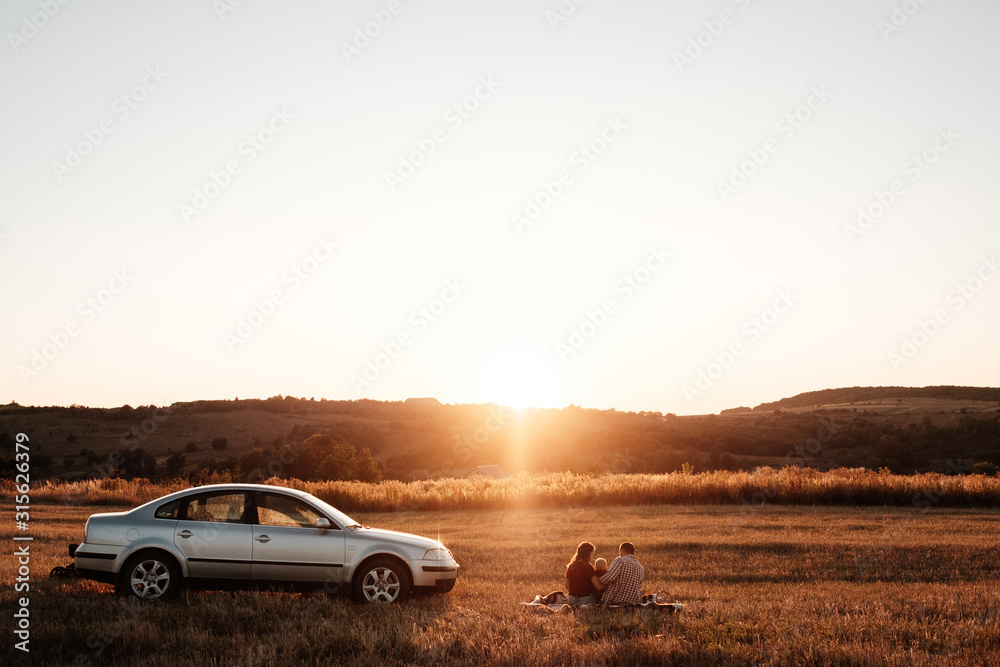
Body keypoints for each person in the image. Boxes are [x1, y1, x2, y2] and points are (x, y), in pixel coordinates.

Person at [597, 542, 644, 606]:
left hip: (615, 602)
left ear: (622, 551)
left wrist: (597, 579)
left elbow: (609, 578)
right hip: (632, 604)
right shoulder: (640, 567)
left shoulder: (620, 561)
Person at [564, 541, 604, 606]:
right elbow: (598, 586)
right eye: (592, 554)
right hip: (585, 599)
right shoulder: (587, 566)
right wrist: (606, 586)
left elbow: (567, 586)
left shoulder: (570, 566)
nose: (592, 557)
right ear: (588, 554)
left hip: (572, 599)